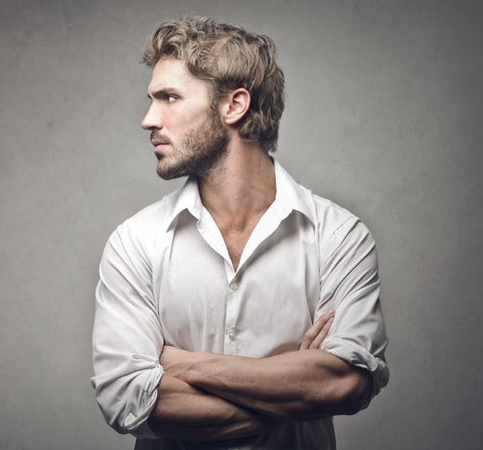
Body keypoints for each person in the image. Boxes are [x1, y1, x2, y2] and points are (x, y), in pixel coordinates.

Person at [91, 17, 389, 449]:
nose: (148, 119)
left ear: (234, 105)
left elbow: (346, 384)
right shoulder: (135, 241)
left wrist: (184, 366)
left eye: (170, 97)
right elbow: (125, 399)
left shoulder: (339, 236)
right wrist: (297, 383)